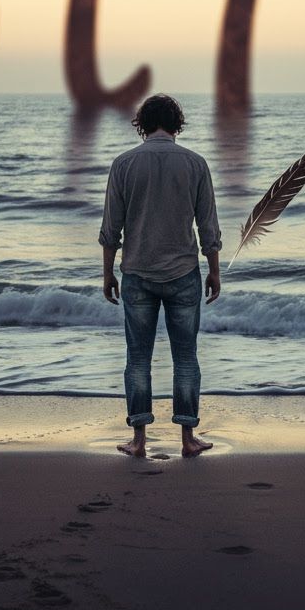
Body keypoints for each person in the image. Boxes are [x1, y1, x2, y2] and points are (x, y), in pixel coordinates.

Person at [99, 94, 222, 458]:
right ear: (176, 124)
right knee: (186, 357)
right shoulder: (195, 164)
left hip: (137, 272)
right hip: (183, 272)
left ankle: (138, 440)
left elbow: (111, 228)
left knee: (138, 358)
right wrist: (214, 271)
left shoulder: (123, 164)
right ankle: (188, 439)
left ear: (142, 124)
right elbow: (208, 226)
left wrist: (107, 273)